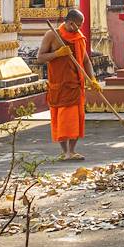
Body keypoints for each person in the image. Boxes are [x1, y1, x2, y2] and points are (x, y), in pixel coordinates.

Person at [37, 9, 100, 161]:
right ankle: (64, 151)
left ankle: (72, 151)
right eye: (77, 25)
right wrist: (57, 54)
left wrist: (92, 79)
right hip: (59, 85)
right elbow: (40, 58)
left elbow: (85, 61)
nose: (79, 28)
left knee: (75, 120)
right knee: (62, 120)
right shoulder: (52, 35)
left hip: (76, 85)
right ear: (70, 23)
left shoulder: (79, 38)